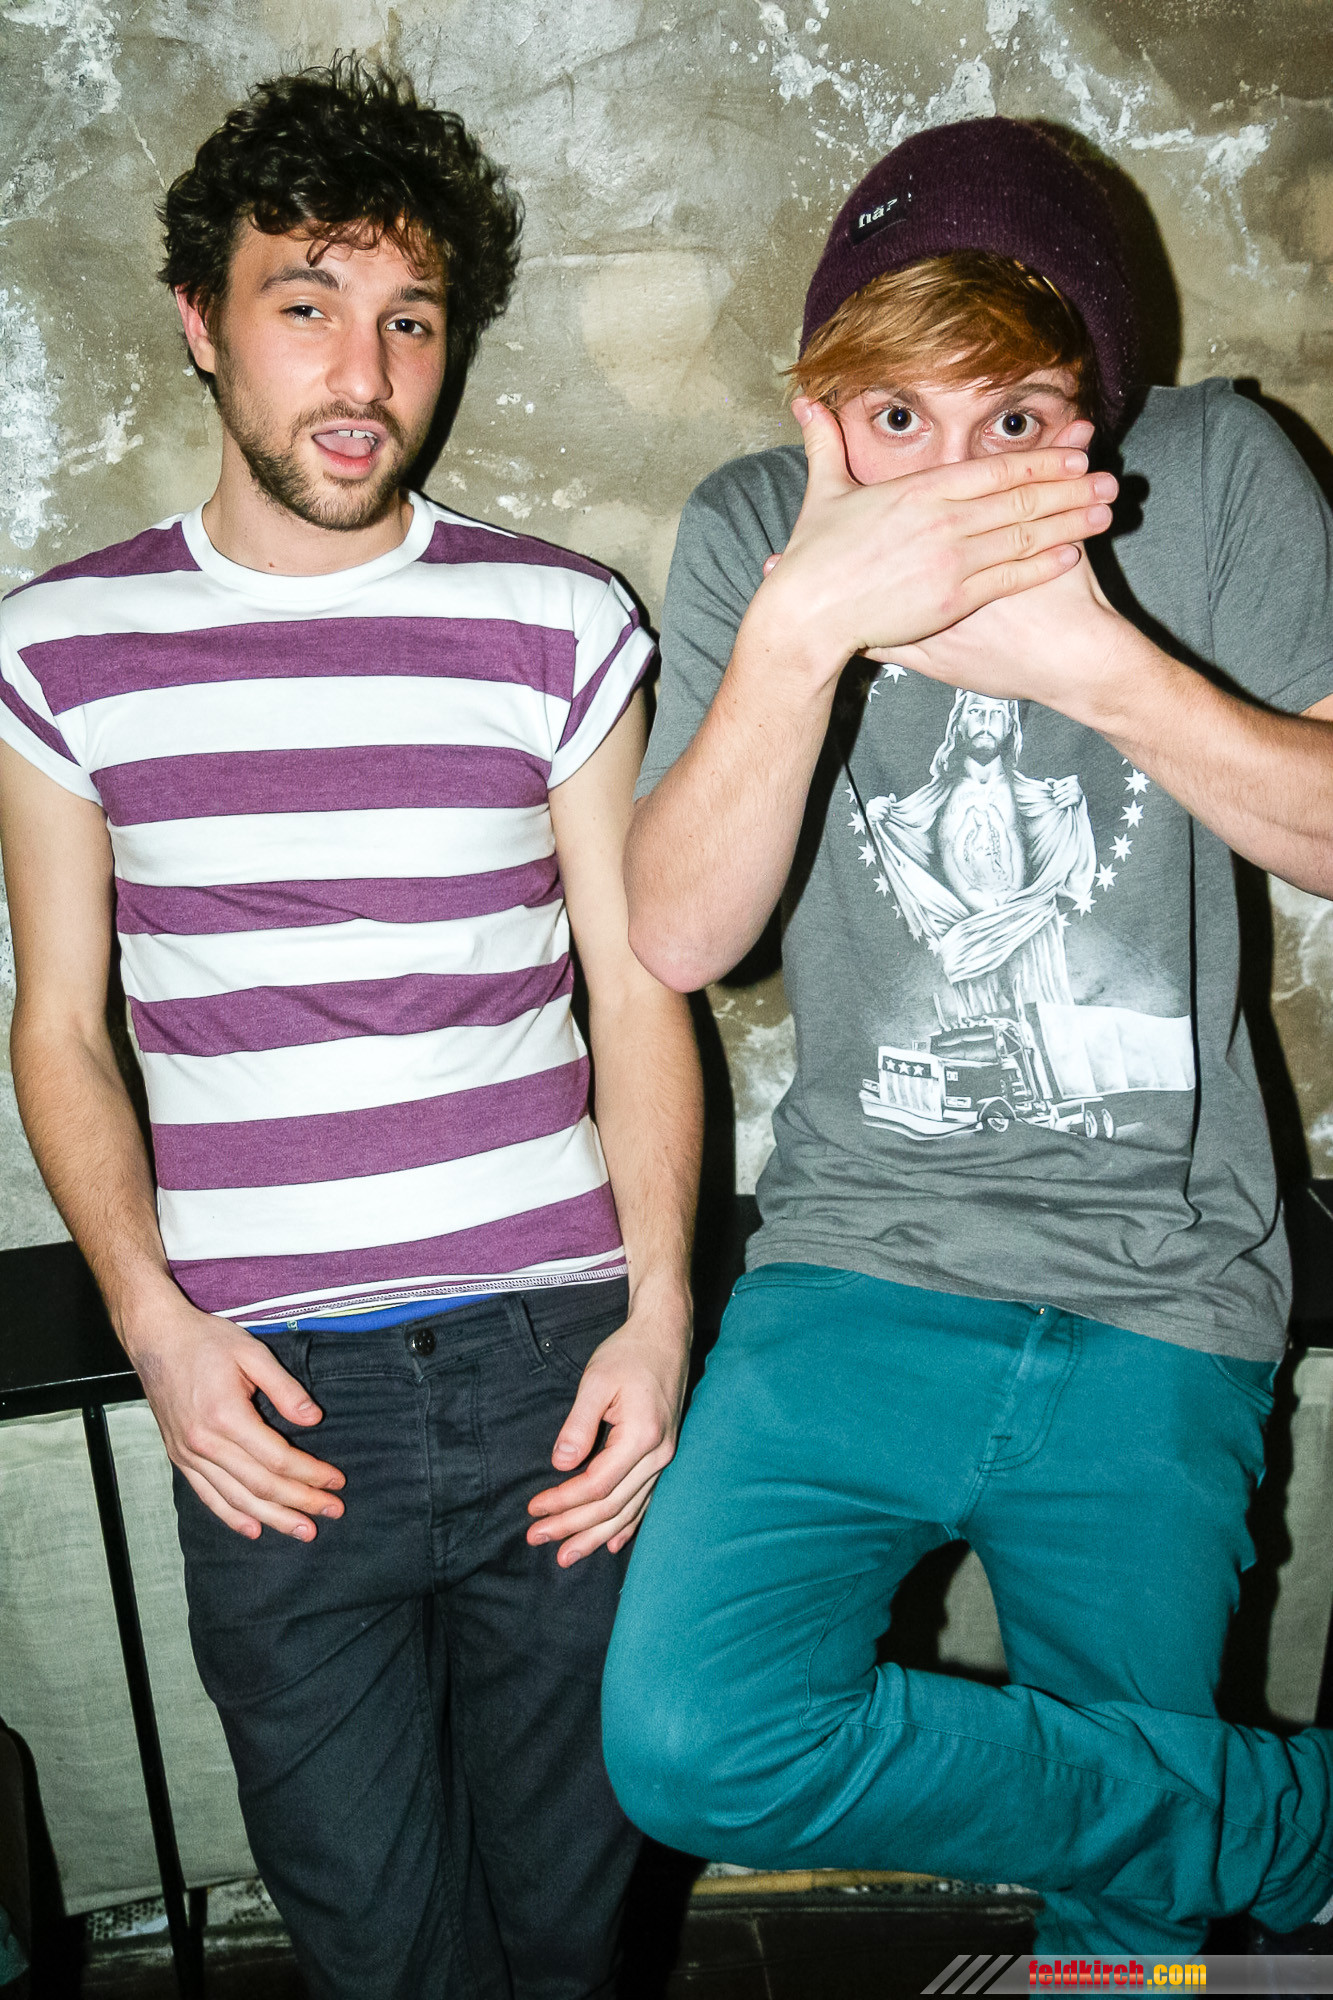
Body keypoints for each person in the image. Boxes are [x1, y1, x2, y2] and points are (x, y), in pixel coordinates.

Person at [0, 58, 701, 2000]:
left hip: (558, 1367)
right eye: (305, 304)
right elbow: (59, 1028)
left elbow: (640, 988)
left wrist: (659, 1320)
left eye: (409, 318)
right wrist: (155, 1328)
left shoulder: (557, 622)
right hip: (271, 1403)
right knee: (380, 1949)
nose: (365, 374)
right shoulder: (60, 648)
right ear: (199, 320)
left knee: (571, 1937)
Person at [600, 115, 1333, 1954]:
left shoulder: (1208, 474)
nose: (942, 479)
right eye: (890, 418)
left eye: (1011, 417)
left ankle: (1163, 1893)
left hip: (1162, 1283)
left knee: (1126, 1918)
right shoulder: (755, 528)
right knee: (692, 1740)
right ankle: (1289, 1817)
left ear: (1095, 401)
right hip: (853, 1268)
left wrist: (1097, 668)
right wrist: (797, 637)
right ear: (817, 409)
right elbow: (677, 933)